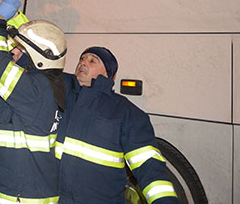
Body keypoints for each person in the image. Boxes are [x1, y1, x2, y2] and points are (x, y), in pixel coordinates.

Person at [0, 0, 67, 204]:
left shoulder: (34, 89)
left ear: (37, 57)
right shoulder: (32, 85)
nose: (14, 50)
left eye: (21, 48)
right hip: (13, 191)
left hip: (23, 196)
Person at [56, 47, 178, 203]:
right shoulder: (59, 91)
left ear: (107, 73)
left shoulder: (126, 113)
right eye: (82, 58)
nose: (83, 63)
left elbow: (148, 165)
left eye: (92, 60)